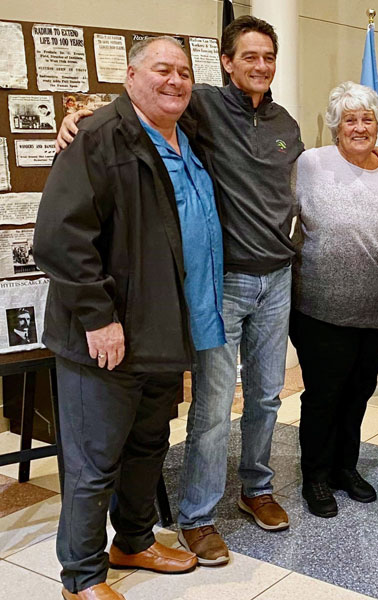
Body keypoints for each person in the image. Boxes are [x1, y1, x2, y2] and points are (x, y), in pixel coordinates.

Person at [57, 16, 304, 566]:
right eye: (249, 56)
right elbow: (138, 106)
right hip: (220, 285)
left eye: (268, 57)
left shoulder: (285, 122)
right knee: (213, 407)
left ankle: (254, 488)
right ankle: (196, 516)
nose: (259, 66)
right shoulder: (202, 106)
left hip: (269, 279)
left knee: (265, 396)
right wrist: (80, 116)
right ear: (227, 61)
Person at [34, 36, 213, 600]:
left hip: (162, 329)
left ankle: (133, 540)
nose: (176, 80)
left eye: (184, 71)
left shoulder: (190, 135)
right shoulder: (96, 137)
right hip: (106, 333)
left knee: (147, 445)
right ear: (130, 75)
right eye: (162, 69)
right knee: (93, 461)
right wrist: (97, 317)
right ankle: (82, 576)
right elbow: (61, 238)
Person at [290, 81, 378, 519]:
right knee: (323, 395)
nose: (359, 127)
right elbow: (282, 217)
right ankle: (315, 476)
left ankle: (345, 468)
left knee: (359, 393)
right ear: (336, 126)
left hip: (373, 308)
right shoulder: (311, 164)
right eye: (350, 120)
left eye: (367, 119)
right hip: (318, 307)